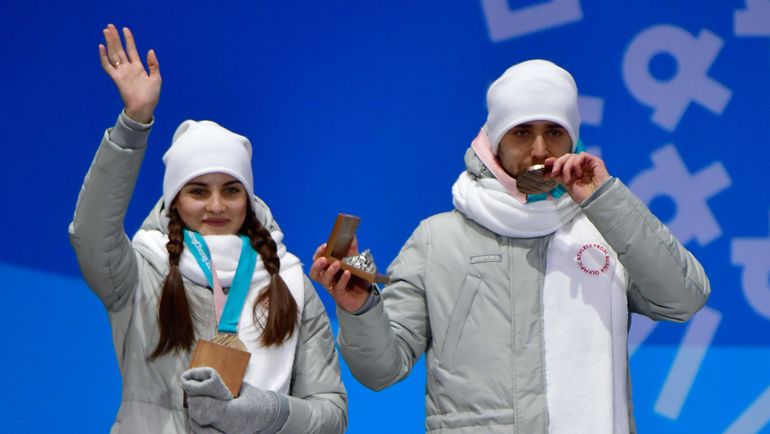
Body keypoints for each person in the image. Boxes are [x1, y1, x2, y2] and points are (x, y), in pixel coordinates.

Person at [310, 59, 710, 433]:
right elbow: (381, 370)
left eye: (554, 132)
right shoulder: (437, 240)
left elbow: (682, 299)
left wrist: (604, 198)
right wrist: (359, 308)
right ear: (493, 141)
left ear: (573, 139)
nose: (539, 149)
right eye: (521, 132)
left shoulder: (607, 229)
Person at [69, 24, 346, 433]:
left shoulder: (290, 283)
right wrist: (134, 122)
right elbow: (91, 233)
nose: (216, 206)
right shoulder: (142, 272)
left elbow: (332, 416)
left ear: (247, 199)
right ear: (175, 199)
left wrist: (266, 411)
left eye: (231, 190)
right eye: (198, 190)